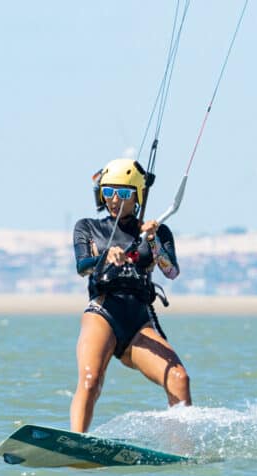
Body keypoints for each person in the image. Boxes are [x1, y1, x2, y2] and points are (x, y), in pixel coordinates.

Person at [70, 158, 190, 433]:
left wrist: (153, 241)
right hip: (103, 313)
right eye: (109, 191)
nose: (115, 199)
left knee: (180, 379)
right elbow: (81, 267)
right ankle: (76, 441)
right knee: (90, 380)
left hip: (138, 322)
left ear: (137, 195)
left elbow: (171, 272)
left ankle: (184, 450)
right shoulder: (87, 227)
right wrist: (104, 256)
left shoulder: (158, 231)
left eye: (123, 193)